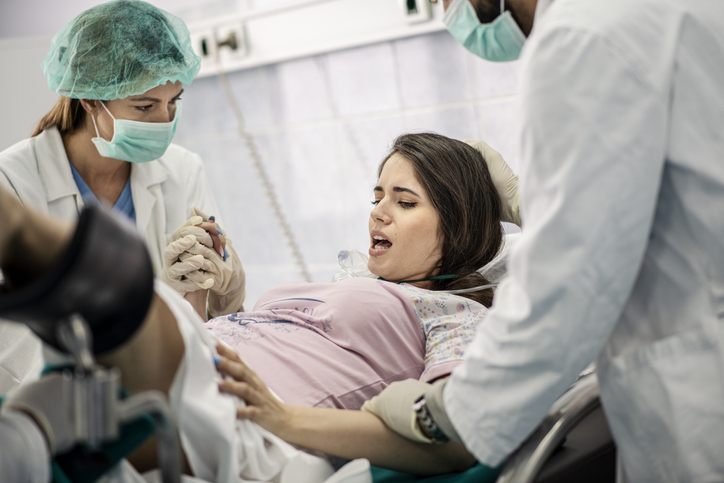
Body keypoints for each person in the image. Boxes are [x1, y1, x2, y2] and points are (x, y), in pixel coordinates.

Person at [362, 0, 724, 481]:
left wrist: (450, 412)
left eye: (407, 201)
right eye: (377, 196)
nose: (446, 10)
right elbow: (642, 205)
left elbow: (571, 280)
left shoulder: (581, 37)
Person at [0, 0, 246, 395]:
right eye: (145, 105)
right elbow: (12, 343)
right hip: (51, 403)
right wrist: (152, 308)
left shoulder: (182, 170)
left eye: (173, 101)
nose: (164, 121)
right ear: (91, 99)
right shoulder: (11, 182)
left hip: (171, 393)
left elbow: (210, 322)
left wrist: (226, 279)